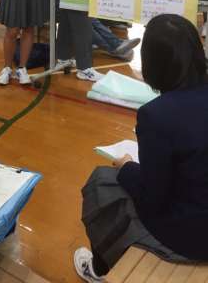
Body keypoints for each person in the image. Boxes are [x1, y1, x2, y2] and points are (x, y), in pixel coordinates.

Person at [75, 14, 208, 282]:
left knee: (102, 182)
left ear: (152, 63)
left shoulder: (156, 115)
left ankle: (99, 269)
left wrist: (126, 167)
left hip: (193, 236)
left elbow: (152, 198)